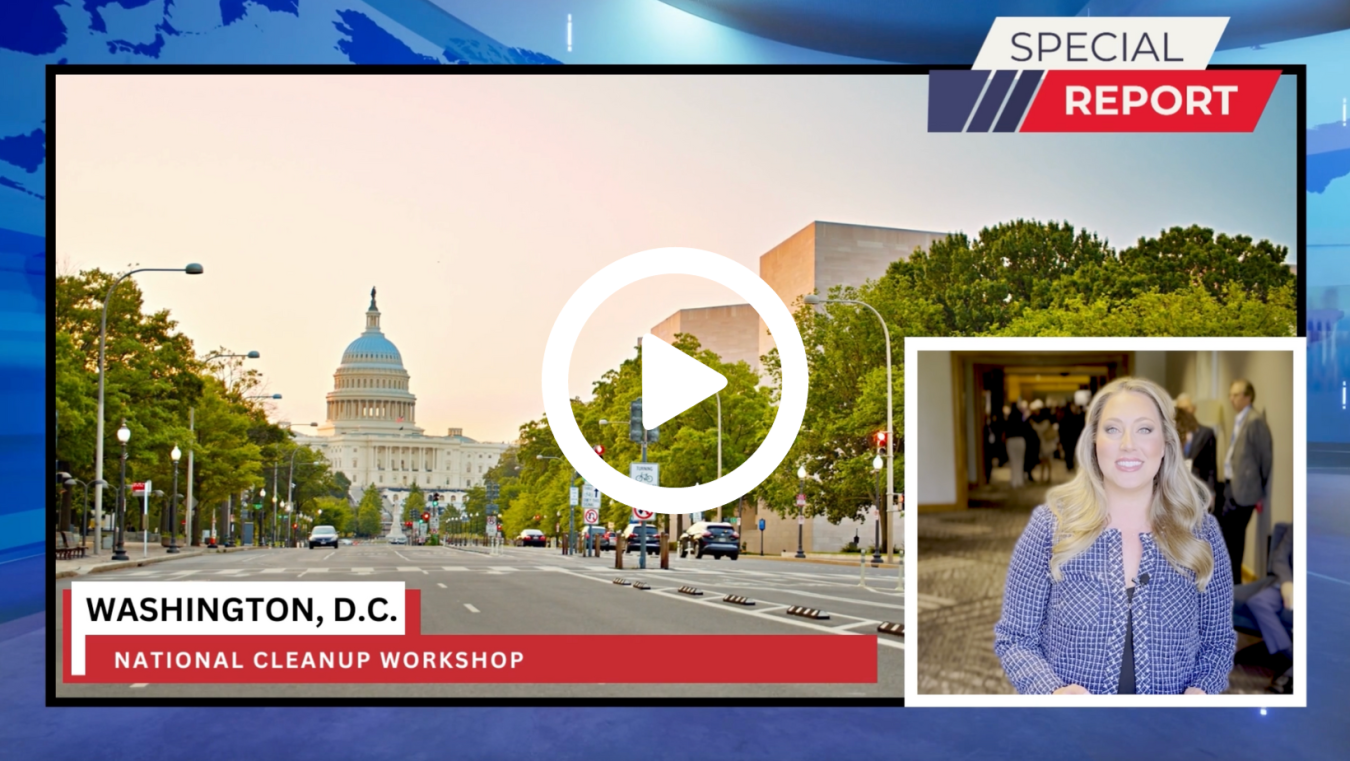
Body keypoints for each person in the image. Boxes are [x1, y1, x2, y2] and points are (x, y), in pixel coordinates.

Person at [993, 377, 1234, 695]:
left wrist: (1202, 691)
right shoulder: (1050, 527)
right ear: (1094, 441)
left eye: (1144, 429)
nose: (1128, 445)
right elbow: (1015, 638)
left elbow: (1218, 642)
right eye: (1113, 429)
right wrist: (1050, 691)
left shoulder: (1201, 532)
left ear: (1165, 442)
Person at [1220, 379, 1273, 586]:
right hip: (1231, 487)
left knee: (1234, 540)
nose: (1231, 399)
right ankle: (1230, 583)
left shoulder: (1255, 421)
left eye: (1236, 395)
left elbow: (1265, 458)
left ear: (1248, 397)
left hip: (1245, 492)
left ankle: (1234, 586)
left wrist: (1258, 488)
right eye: (1230, 395)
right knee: (1228, 539)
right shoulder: (1240, 419)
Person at [1233, 524, 1293, 694]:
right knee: (1257, 602)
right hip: (1286, 583)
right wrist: (1288, 582)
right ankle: (1290, 653)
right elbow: (1279, 558)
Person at [1174, 393, 1218, 513]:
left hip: (1198, 488)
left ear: (1193, 408)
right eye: (1181, 409)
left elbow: (1211, 467)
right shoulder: (1171, 433)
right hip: (1177, 490)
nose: (1186, 412)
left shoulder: (1206, 433)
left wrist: (1211, 492)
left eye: (1188, 408)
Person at [1005, 405, 1028, 489]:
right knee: (1020, 461)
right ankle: (1019, 480)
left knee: (1013, 461)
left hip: (1011, 440)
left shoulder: (1009, 420)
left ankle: (1014, 481)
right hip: (1020, 440)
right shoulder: (1021, 420)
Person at [1059, 401, 1085, 472]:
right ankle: (1069, 466)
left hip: (1076, 439)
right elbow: (1062, 430)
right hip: (1068, 440)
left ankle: (1073, 466)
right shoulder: (1065, 418)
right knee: (1068, 454)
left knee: (1075, 454)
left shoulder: (1078, 417)